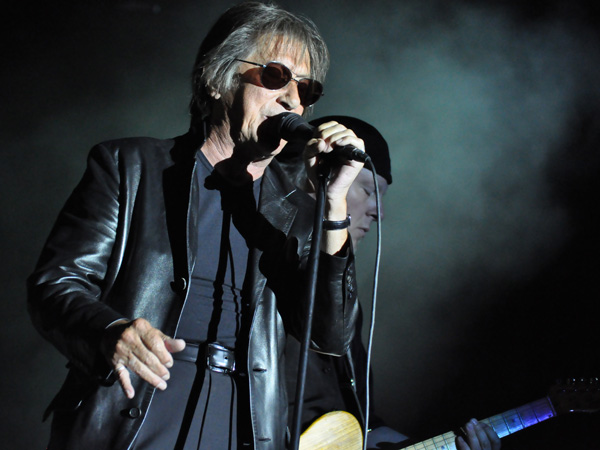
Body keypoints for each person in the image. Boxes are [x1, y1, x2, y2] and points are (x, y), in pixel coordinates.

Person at [26, 3, 366, 450]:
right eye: (276, 75)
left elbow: (331, 334)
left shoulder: (299, 211)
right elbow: (55, 285)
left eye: (306, 88)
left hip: (240, 425)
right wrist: (108, 332)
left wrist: (333, 201)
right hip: (132, 417)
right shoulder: (130, 168)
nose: (292, 99)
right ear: (217, 78)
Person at [279, 116, 501, 450]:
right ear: (319, 178)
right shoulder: (264, 265)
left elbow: (365, 428)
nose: (377, 212)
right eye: (368, 191)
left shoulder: (344, 297)